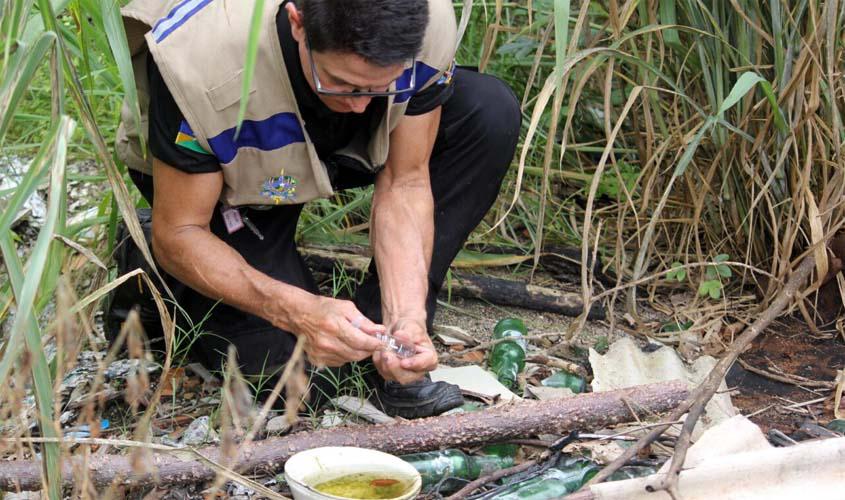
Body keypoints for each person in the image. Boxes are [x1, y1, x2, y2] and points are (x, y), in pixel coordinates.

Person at [110, 0, 520, 418]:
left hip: (329, 152)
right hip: (222, 179)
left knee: (486, 112)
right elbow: (182, 231)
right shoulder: (198, 62)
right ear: (298, 24)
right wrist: (298, 312)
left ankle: (385, 346)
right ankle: (146, 265)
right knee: (295, 380)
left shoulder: (426, 21)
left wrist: (406, 315)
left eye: (380, 86)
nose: (363, 106)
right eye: (345, 84)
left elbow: (405, 181)